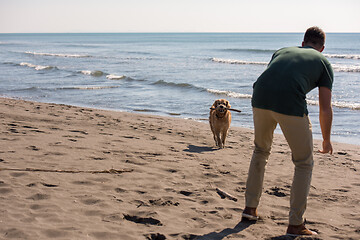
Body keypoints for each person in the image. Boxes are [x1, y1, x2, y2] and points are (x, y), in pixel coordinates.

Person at [242, 26, 334, 236]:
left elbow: (274, 78)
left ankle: (249, 209)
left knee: (260, 151)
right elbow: (325, 108)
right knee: (303, 163)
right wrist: (326, 140)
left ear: (303, 43)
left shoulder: (282, 51)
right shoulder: (323, 62)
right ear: (322, 48)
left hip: (260, 97)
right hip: (289, 102)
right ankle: (295, 224)